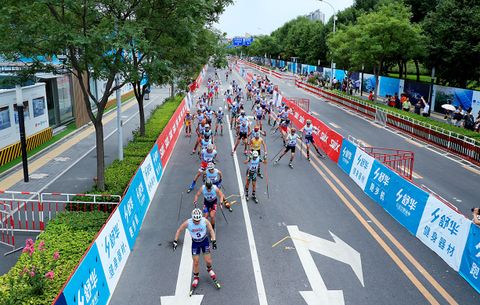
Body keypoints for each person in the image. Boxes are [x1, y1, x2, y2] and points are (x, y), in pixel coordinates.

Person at [173, 208, 220, 293]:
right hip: (195, 243)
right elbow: (179, 230)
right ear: (192, 218)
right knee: (196, 262)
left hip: (204, 241)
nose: (197, 222)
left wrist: (214, 241)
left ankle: (209, 269)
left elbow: (211, 230)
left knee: (208, 261)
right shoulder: (188, 222)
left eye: (198, 220)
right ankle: (196, 277)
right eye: (195, 220)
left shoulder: (204, 221)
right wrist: (175, 241)